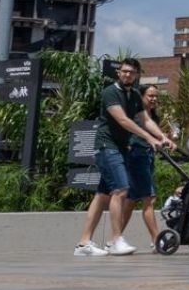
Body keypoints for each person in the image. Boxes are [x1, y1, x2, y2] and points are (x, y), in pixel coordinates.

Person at [74, 58, 174, 257]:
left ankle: (84, 244)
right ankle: (115, 240)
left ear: (136, 75)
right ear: (118, 73)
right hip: (106, 146)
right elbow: (123, 120)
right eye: (124, 71)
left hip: (120, 148)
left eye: (132, 72)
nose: (127, 74)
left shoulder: (135, 94)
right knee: (121, 189)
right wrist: (148, 138)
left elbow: (145, 119)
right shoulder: (110, 92)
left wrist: (162, 137)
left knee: (102, 194)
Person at [120, 84, 167, 252]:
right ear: (141, 97)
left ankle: (115, 238)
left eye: (156, 96)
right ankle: (156, 240)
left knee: (131, 201)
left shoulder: (152, 116)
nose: (154, 99)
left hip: (146, 156)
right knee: (149, 198)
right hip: (137, 155)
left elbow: (155, 136)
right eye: (150, 95)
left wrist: (164, 140)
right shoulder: (137, 114)